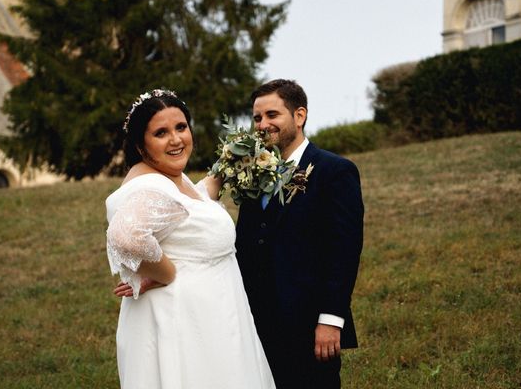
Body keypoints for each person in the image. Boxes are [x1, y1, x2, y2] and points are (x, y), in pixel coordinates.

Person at [107, 89, 275, 389]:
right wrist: (166, 273)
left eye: (181, 127)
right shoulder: (147, 184)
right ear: (140, 144)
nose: (175, 139)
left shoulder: (170, 178)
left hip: (214, 317)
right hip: (186, 324)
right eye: (161, 132)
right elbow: (126, 237)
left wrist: (226, 166)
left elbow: (191, 205)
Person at [235, 79, 364, 389]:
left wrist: (331, 320)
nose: (263, 125)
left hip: (310, 326)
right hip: (257, 326)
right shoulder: (253, 175)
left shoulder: (334, 171)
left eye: (272, 115)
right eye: (257, 118)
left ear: (300, 116)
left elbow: (344, 251)